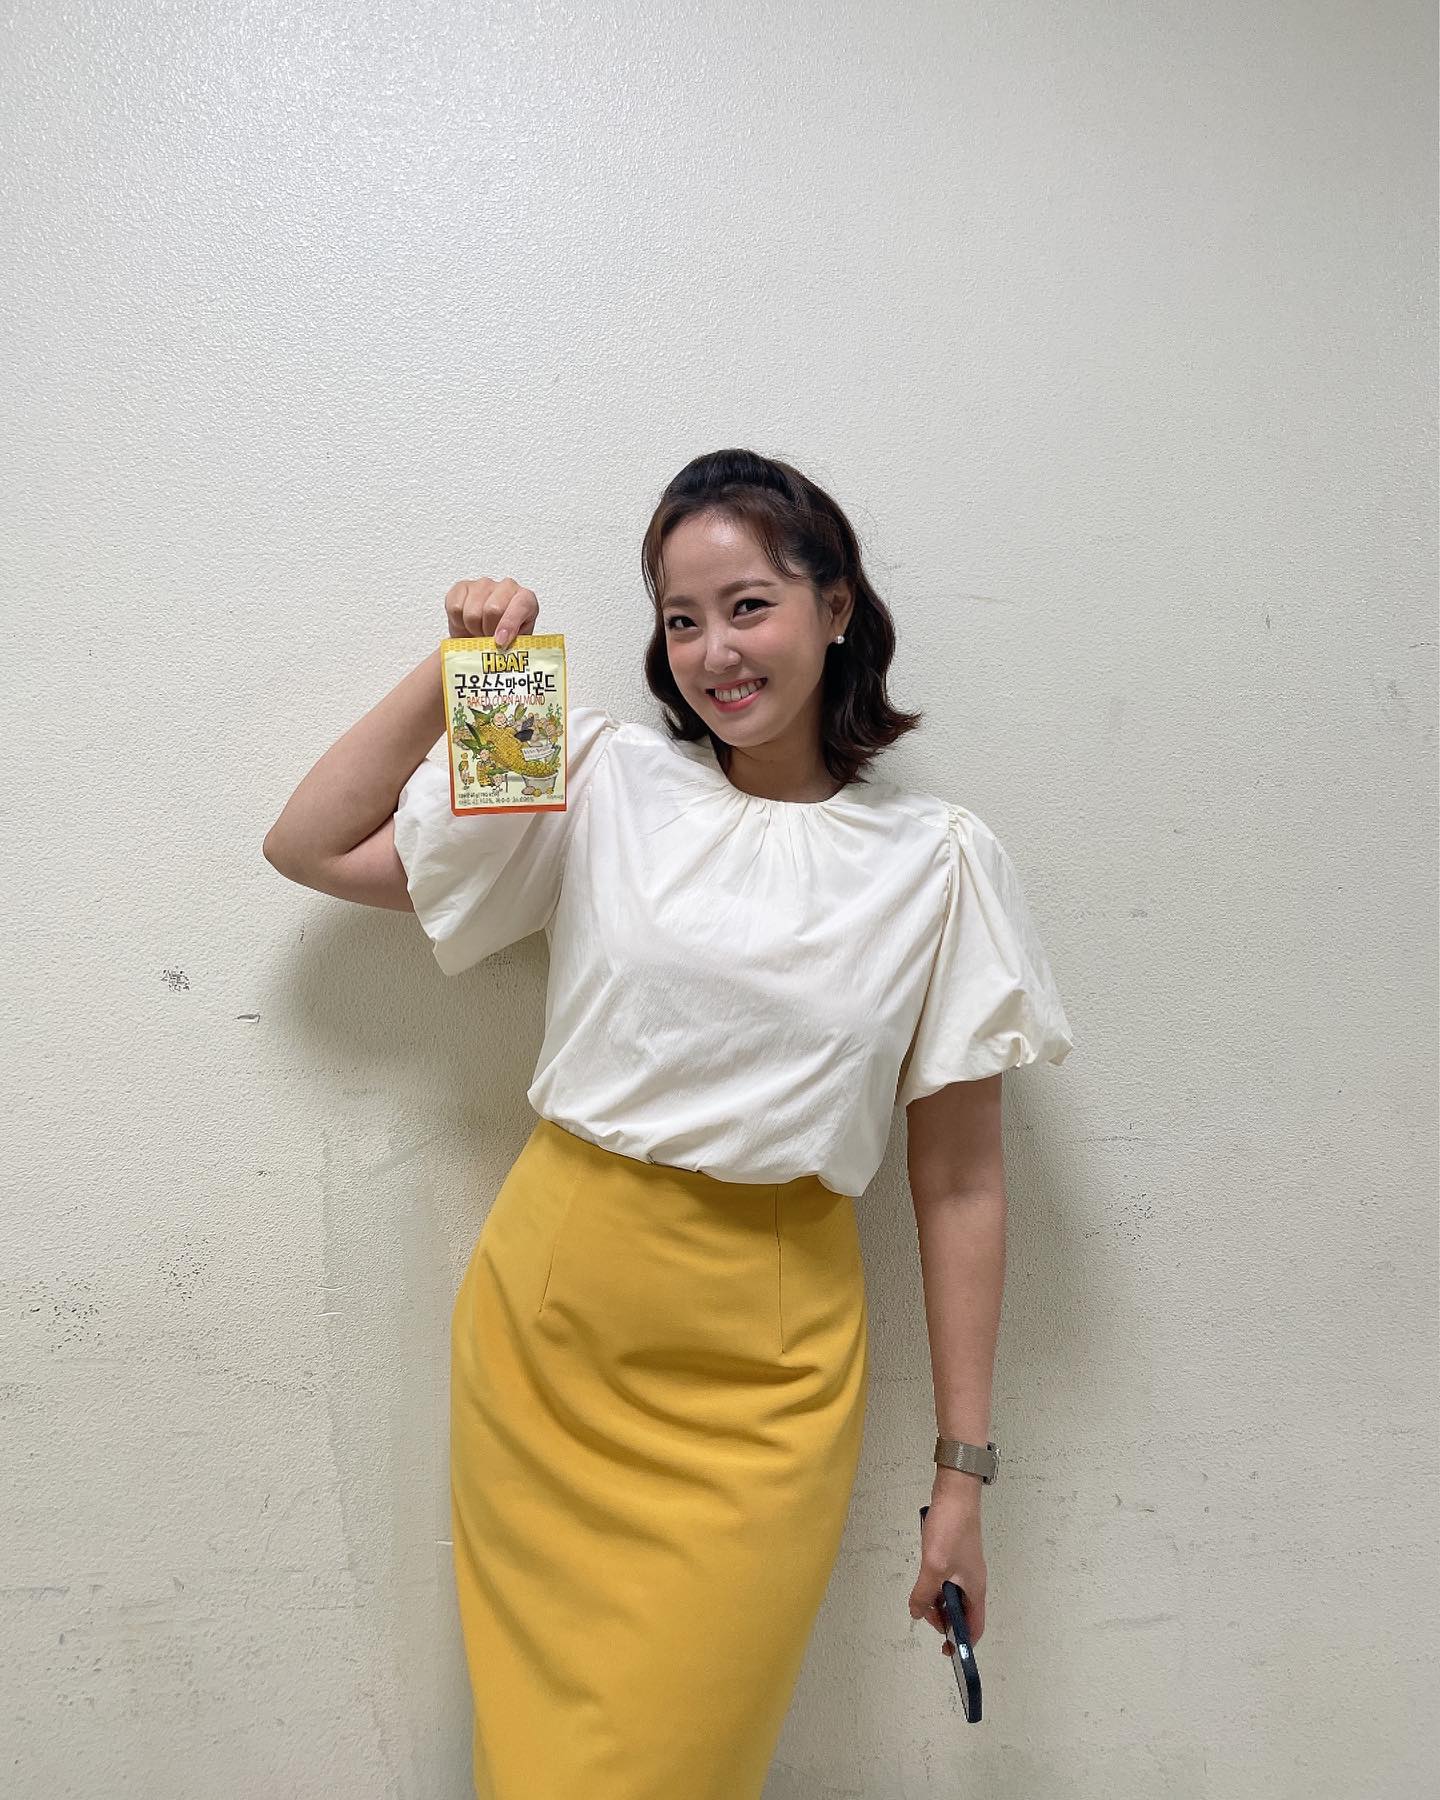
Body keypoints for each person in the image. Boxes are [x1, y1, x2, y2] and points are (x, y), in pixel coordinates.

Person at [263, 448, 1076, 1797]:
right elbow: (311, 846)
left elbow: (960, 1187)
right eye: (680, 618)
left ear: (835, 607)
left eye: (749, 605)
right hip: (554, 1330)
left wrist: (962, 1478)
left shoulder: (939, 863)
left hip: (770, 1374)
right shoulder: (598, 776)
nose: (714, 652)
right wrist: (463, 667)